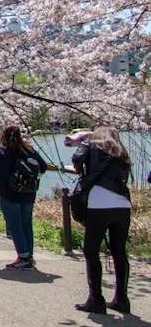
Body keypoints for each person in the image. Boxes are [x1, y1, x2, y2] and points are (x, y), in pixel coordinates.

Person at [71, 126, 132, 315]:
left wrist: (84, 170)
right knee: (119, 252)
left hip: (98, 204)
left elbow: (76, 158)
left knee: (91, 251)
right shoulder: (122, 153)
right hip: (123, 205)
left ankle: (96, 299)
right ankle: (122, 299)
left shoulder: (91, 145)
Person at [0, 125, 47, 269]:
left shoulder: (0, 153)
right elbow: (43, 166)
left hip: (8, 193)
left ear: (3, 136)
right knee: (26, 224)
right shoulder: (30, 151)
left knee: (14, 225)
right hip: (28, 193)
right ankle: (29, 255)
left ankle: (22, 256)